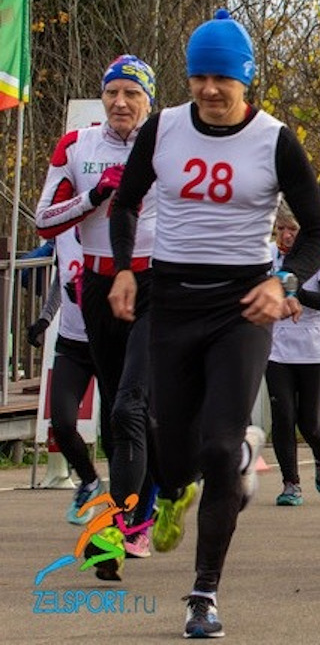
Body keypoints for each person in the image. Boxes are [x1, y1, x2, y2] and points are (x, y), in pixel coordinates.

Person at [108, 9, 320, 638]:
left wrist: (282, 281)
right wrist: (127, 269)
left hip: (242, 306)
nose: (209, 90)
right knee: (175, 464)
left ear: (246, 81)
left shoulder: (275, 139)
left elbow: (318, 232)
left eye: (222, 80)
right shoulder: (165, 128)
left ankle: (203, 594)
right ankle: (233, 455)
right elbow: (126, 203)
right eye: (199, 77)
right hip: (172, 302)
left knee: (214, 446)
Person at [35, 54, 161, 577]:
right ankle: (149, 502)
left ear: (148, 101)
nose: (120, 103)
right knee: (120, 415)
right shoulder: (78, 145)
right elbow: (43, 221)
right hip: (97, 285)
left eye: (132, 93)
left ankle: (122, 527)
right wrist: (95, 196)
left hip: (155, 283)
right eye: (112, 93)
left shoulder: (166, 143)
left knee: (130, 407)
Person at [28, 232, 108, 528]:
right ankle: (89, 481)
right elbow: (61, 281)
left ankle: (131, 508)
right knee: (61, 423)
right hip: (72, 343)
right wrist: (45, 319)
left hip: (112, 341)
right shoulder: (63, 232)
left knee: (121, 428)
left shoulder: (118, 222)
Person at [267, 202, 320, 507]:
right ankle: (290, 483)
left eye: (292, 229)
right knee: (282, 416)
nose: (286, 236)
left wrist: (295, 292)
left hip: (313, 347)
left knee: (309, 422)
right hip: (276, 345)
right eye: (281, 229)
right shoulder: (269, 257)